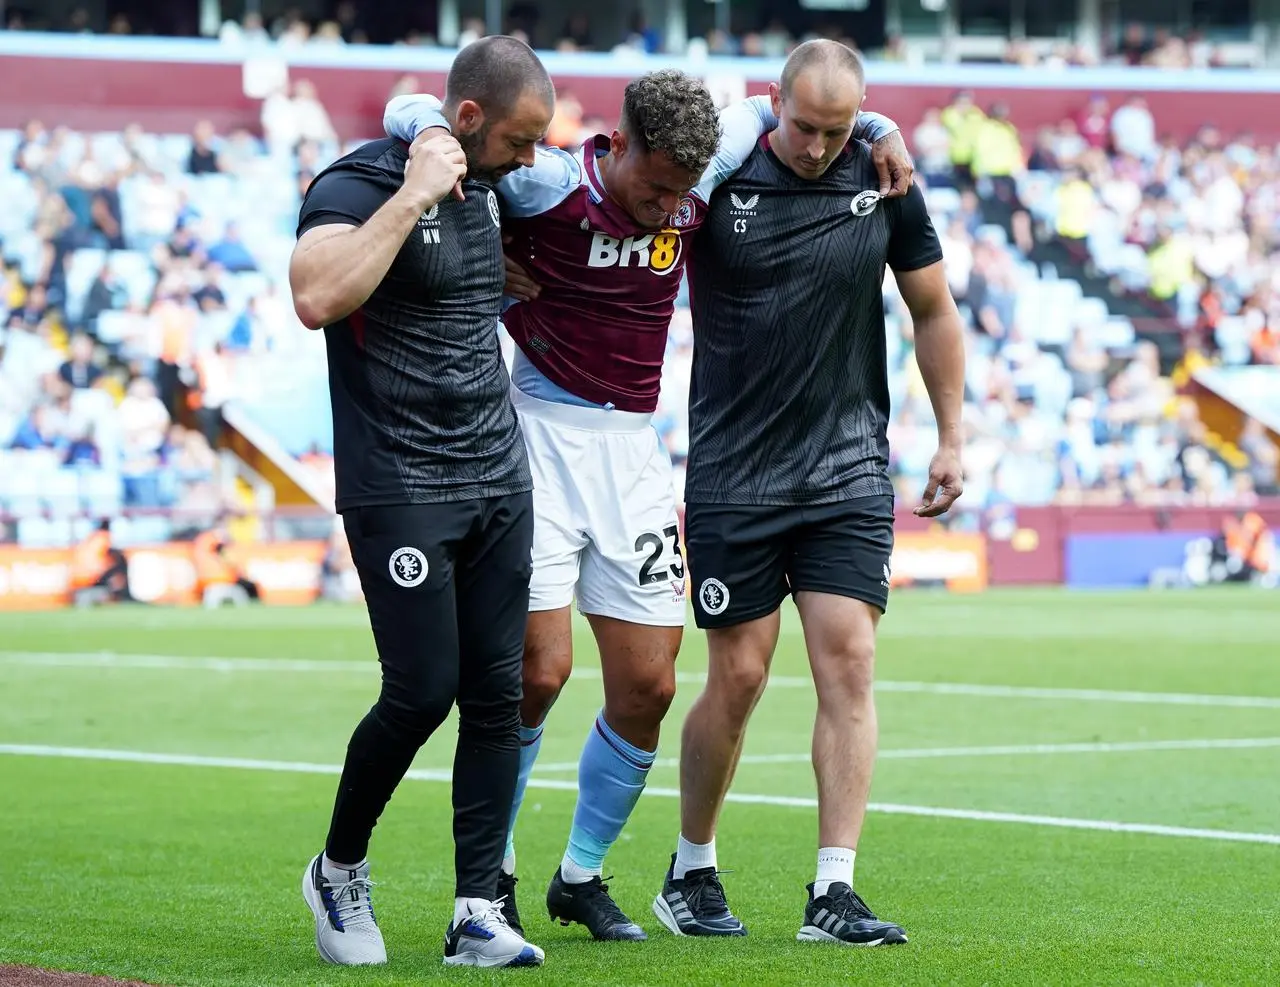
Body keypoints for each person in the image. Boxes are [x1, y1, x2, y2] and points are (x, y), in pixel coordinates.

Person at [383, 74, 913, 942]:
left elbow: (771, 106)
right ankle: (492, 878)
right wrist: (427, 135)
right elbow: (432, 127)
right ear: (617, 144)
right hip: (538, 438)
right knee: (538, 673)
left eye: (682, 191)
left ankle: (580, 875)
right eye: (656, 184)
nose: (671, 207)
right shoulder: (545, 183)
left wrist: (884, 125)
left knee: (649, 685)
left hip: (633, 450)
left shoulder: (696, 180)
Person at [652, 40, 966, 946]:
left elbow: (933, 309)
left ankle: (834, 889)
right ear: (771, 105)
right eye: (806, 125)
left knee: (850, 664)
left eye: (840, 128)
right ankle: (693, 866)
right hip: (734, 472)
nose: (822, 146)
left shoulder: (883, 174)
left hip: (846, 469)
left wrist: (951, 435)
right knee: (740, 676)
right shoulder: (723, 172)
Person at [289, 36, 556, 969]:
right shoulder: (357, 183)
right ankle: (337, 868)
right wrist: (411, 194)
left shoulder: (493, 189)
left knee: (497, 693)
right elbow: (317, 295)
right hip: (399, 482)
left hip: (497, 476)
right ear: (469, 121)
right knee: (423, 687)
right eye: (521, 141)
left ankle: (477, 909)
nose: (531, 162)